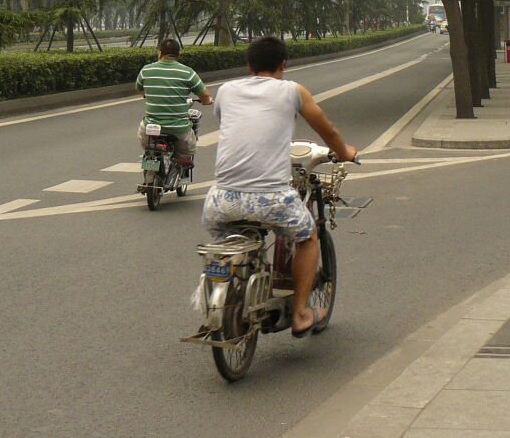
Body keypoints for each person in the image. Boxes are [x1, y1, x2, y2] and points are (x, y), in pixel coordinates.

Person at [203, 35, 357, 337]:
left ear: (249, 66)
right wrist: (344, 152)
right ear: (284, 64)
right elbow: (327, 130)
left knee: (226, 243)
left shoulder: (226, 90)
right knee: (308, 237)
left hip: (219, 201)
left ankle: (235, 288)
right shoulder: (293, 91)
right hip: (270, 198)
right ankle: (300, 314)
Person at [136, 38, 212, 168]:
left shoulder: (146, 70)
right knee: (187, 152)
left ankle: (149, 168)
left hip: (150, 128)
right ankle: (181, 163)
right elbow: (204, 95)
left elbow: (139, 89)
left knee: (148, 148)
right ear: (178, 55)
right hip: (178, 129)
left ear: (160, 53)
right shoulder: (187, 72)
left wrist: (147, 95)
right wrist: (207, 101)